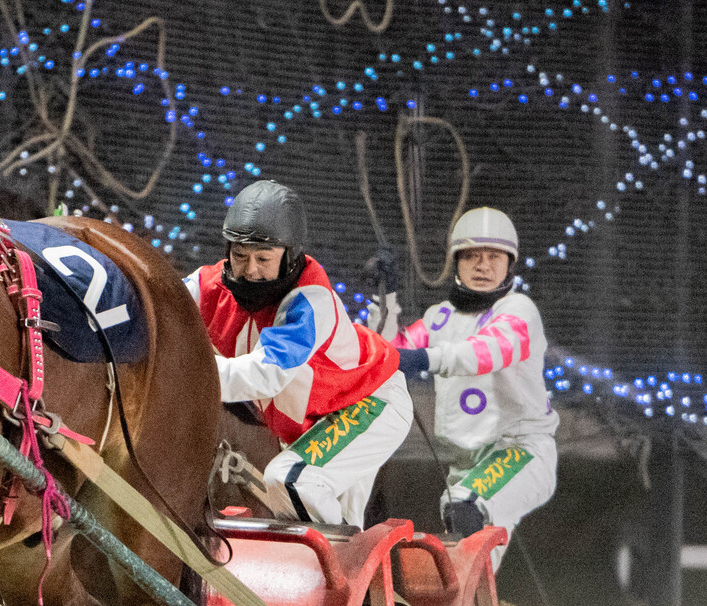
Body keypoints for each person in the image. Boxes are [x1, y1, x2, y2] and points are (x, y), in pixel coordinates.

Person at [184, 180, 411, 529]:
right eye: (239, 256)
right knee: (331, 516)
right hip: (316, 421)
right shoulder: (209, 284)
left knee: (291, 482)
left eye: (263, 258)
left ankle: (334, 578)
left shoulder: (310, 302)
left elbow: (266, 374)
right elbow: (161, 305)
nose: (250, 271)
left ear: (290, 257)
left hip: (369, 404)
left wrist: (186, 372)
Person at [376, 206, 559, 567]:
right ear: (455, 262)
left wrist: (426, 359)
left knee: (464, 506)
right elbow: (391, 352)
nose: (483, 266)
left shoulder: (519, 311)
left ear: (511, 264)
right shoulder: (440, 316)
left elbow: (484, 352)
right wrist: (385, 298)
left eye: (494, 257)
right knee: (469, 560)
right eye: (472, 256)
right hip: (466, 464)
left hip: (520, 452)